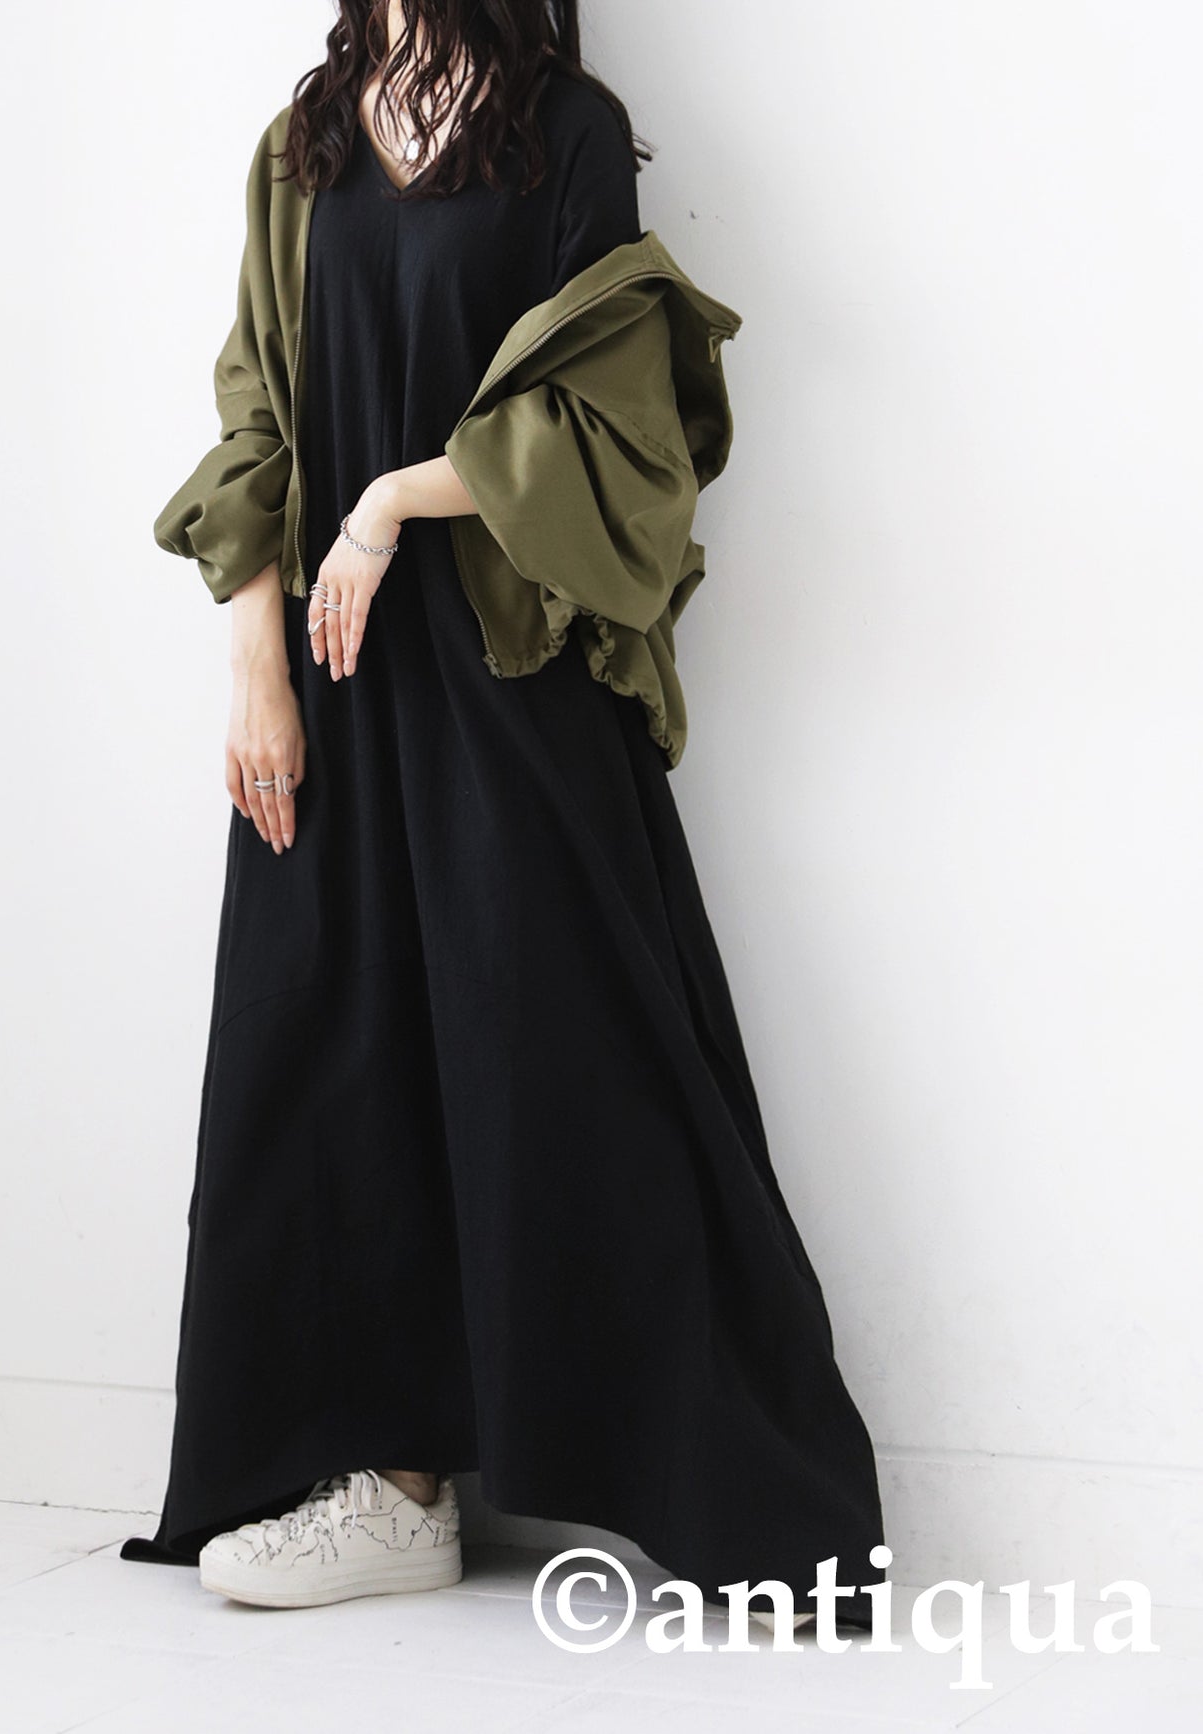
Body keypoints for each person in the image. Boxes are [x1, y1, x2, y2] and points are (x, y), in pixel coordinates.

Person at [120, 0, 886, 1633]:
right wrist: (255, 668)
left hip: (508, 675)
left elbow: (621, 418)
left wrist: (393, 500)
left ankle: (736, 1487)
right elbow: (257, 413)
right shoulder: (305, 145)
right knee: (338, 1064)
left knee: (577, 1063)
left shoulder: (563, 136)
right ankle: (392, 1486)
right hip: (333, 686)